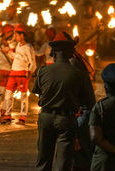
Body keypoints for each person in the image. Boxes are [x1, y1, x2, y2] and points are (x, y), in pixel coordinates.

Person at [32, 37, 95, 171]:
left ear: (54, 53)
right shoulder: (78, 74)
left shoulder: (43, 71)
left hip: (45, 117)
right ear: (70, 53)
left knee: (43, 158)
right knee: (63, 161)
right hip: (66, 118)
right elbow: (88, 100)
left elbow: (37, 91)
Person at [1, 24, 36, 125]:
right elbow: (16, 57)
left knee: (23, 96)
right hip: (13, 72)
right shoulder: (18, 46)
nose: (15, 37)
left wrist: (29, 71)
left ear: (22, 36)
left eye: (16, 35)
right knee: (8, 93)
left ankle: (23, 117)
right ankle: (7, 114)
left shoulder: (28, 47)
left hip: (22, 73)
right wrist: (7, 52)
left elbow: (32, 62)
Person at [77, 1, 100, 81]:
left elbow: (98, 29)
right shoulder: (81, 18)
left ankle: (92, 73)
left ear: (91, 8)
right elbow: (79, 29)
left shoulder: (96, 19)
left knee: (90, 58)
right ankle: (83, 73)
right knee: (81, 58)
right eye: (86, 8)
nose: (87, 9)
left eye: (89, 8)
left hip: (92, 42)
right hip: (83, 41)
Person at [0, 23, 13, 107]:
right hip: (0, 70)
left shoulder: (12, 44)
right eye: (10, 32)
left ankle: (5, 114)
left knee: (8, 93)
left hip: (10, 71)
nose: (11, 34)